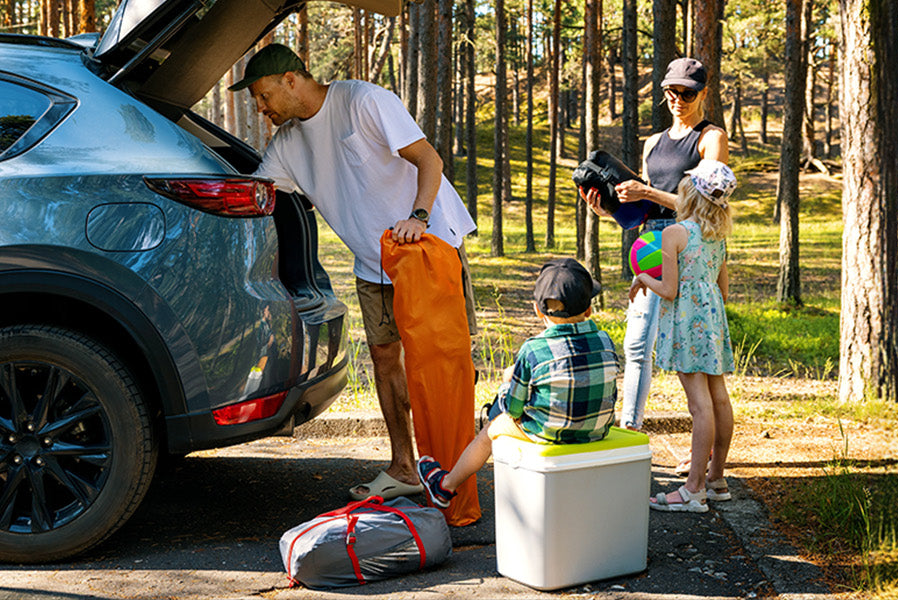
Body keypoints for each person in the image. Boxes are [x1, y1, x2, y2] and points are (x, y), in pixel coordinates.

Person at [230, 44, 478, 500]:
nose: (259, 108)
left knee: (442, 365)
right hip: (373, 263)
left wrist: (418, 217)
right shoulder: (287, 145)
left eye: (262, 96)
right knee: (386, 362)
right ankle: (404, 466)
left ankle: (458, 471)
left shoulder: (364, 101)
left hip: (428, 247)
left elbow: (430, 160)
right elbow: (256, 194)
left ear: (290, 80)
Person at [581, 57, 728, 437]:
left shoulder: (711, 138)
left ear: (702, 94)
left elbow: (709, 207)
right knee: (636, 345)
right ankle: (630, 428)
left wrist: (646, 191)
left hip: (690, 243)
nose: (678, 99)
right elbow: (643, 209)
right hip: (650, 242)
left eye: (688, 93)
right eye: (671, 92)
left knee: (697, 364)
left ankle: (706, 463)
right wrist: (609, 209)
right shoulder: (652, 144)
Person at [415, 258, 620, 508]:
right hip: (596, 431)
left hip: (549, 435)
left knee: (491, 430)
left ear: (537, 310)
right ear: (588, 310)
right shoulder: (606, 340)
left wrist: (505, 382)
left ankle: (445, 487)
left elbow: (512, 409)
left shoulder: (533, 349)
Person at [628, 160, 737, 513]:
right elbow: (722, 287)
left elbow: (670, 290)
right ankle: (717, 479)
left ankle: (694, 489)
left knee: (698, 405)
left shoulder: (676, 234)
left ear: (689, 192)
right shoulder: (716, 236)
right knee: (718, 397)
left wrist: (643, 278)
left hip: (688, 322)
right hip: (713, 320)